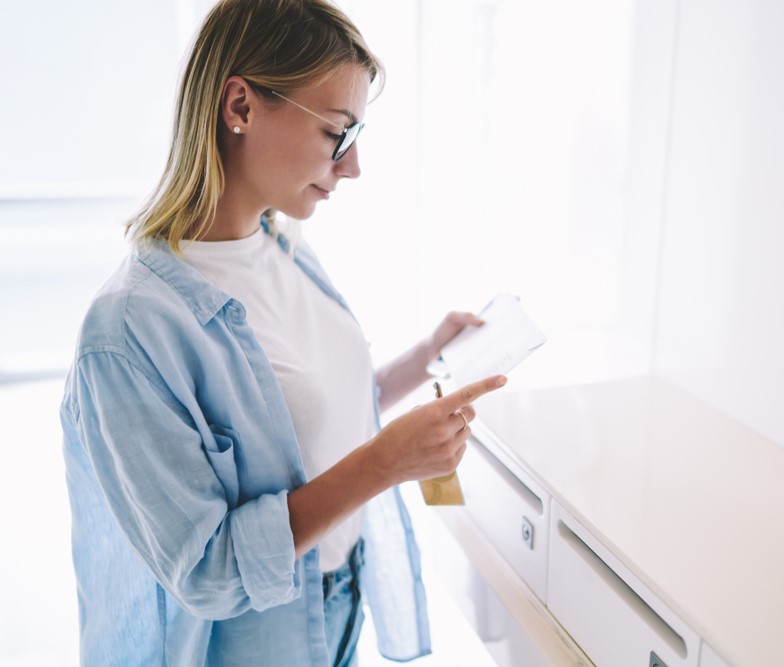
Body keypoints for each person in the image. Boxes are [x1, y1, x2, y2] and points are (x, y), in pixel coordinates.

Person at [59, 0, 507, 665]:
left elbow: (300, 425)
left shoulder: (279, 242)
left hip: (337, 604)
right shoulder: (129, 331)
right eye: (338, 133)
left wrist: (424, 357)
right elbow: (208, 569)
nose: (352, 167)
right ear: (239, 106)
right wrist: (386, 461)